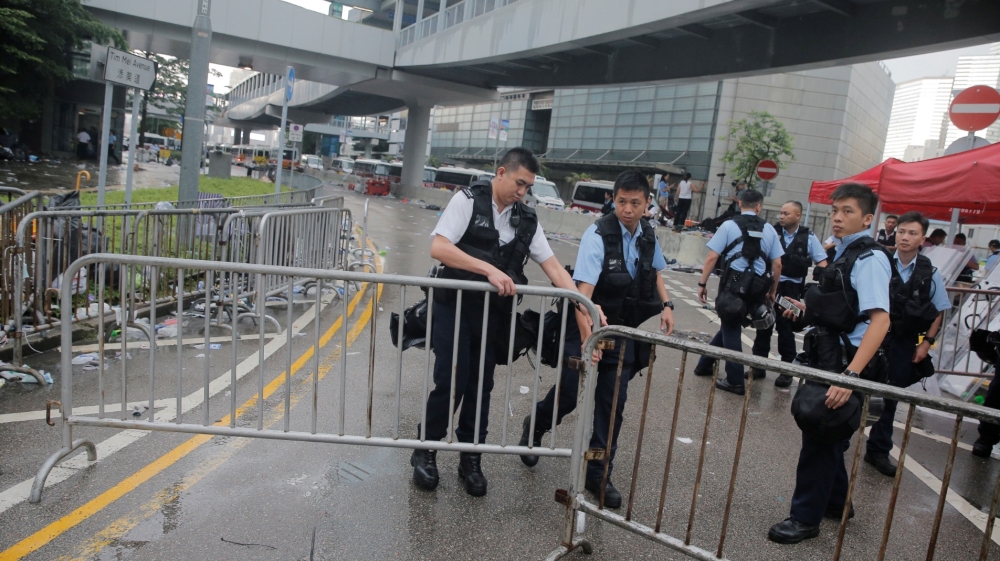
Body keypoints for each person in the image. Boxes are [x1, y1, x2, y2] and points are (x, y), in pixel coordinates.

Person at [411, 148, 579, 497]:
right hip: (454, 306)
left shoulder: (527, 220)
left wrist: (583, 303)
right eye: (519, 183)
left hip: (492, 316)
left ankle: (471, 458)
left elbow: (553, 268)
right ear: (500, 173)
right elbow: (439, 248)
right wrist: (489, 269)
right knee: (451, 379)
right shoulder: (468, 201)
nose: (523, 192)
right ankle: (425, 450)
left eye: (528, 187)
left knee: (480, 385)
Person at [519, 170, 675, 508]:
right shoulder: (598, 235)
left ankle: (598, 472)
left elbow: (656, 271)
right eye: (621, 202)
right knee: (571, 393)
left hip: (622, 330)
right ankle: (536, 426)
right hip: (586, 323)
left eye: (635, 203)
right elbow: (582, 294)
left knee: (612, 403)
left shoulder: (647, 235)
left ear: (648, 204)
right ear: (613, 201)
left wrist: (667, 305)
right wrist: (590, 342)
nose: (628, 209)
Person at [767, 183, 892, 544]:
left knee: (820, 435)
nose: (837, 217)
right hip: (828, 357)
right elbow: (844, 309)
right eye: (836, 210)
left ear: (868, 219)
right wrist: (805, 310)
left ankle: (805, 518)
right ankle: (837, 503)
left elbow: (879, 320)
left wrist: (850, 376)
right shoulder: (843, 253)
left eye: (848, 211)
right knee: (828, 434)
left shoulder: (869, 259)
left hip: (846, 365)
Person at [865, 211, 950, 477]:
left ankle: (878, 449)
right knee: (858, 387)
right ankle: (842, 438)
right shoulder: (880, 262)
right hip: (872, 337)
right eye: (901, 231)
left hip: (903, 342)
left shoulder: (929, 272)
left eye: (912, 233)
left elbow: (939, 311)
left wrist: (926, 344)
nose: (904, 237)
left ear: (922, 239)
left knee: (891, 396)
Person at [695, 189, 783, 395]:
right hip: (758, 286)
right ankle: (704, 365)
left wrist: (702, 283)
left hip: (733, 284)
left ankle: (735, 380)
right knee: (730, 322)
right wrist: (772, 292)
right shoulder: (769, 229)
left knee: (731, 323)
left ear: (740, 203)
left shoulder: (728, 225)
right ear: (759, 207)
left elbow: (711, 257)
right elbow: (777, 264)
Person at [751, 201, 827, 387]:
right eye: (781, 213)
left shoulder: (807, 237)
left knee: (785, 328)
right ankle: (758, 367)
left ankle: (786, 371)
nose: (781, 216)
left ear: (798, 215)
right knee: (763, 324)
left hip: (790, 291)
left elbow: (822, 262)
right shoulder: (772, 232)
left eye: (786, 213)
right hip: (769, 287)